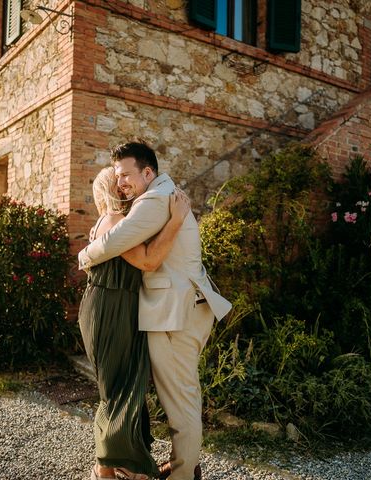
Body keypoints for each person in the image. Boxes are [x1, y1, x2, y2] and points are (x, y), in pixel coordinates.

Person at [79, 142, 232, 480]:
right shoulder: (161, 195)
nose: (122, 183)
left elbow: (117, 246)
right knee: (176, 399)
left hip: (175, 314)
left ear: (148, 172)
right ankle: (179, 467)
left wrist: (84, 255)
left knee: (181, 405)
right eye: (117, 177)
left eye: (126, 175)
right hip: (174, 310)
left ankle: (183, 475)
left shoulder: (153, 201)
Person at [79, 166, 192, 480]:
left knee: (127, 385)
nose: (126, 186)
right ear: (111, 190)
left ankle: (122, 465)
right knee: (119, 389)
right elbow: (148, 260)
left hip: (121, 307)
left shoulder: (120, 223)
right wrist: (177, 219)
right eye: (120, 182)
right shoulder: (115, 222)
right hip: (109, 309)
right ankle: (111, 468)